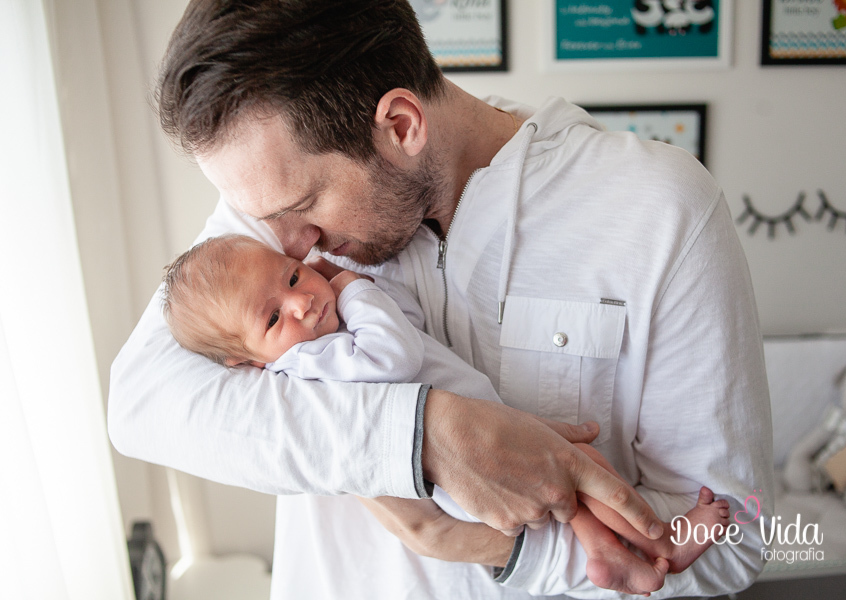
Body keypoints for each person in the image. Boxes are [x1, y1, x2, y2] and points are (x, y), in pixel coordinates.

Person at [108, 1, 774, 598]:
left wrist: (501, 548)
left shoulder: (659, 212)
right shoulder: (274, 206)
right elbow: (142, 403)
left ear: (400, 124)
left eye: (302, 209)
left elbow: (735, 536)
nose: (291, 248)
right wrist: (427, 435)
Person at [161, 233, 733, 595]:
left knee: (573, 486)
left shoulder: (307, 344)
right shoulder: (317, 364)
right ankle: (662, 543)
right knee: (577, 469)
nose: (302, 302)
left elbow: (407, 319)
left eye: (291, 277)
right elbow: (397, 351)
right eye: (272, 318)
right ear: (247, 361)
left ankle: (608, 555)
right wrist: (355, 289)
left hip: (483, 433)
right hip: (469, 468)